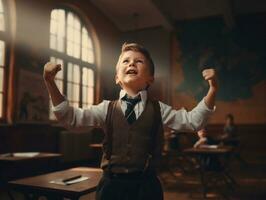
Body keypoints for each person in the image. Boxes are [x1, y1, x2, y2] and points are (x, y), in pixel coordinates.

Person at [43, 42, 218, 200]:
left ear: (150, 79)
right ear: (117, 78)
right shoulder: (106, 108)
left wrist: (212, 90)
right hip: (111, 186)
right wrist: (50, 83)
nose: (132, 63)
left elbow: (193, 121)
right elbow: (71, 118)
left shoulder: (159, 109)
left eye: (139, 61)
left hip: (147, 186)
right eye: (125, 61)